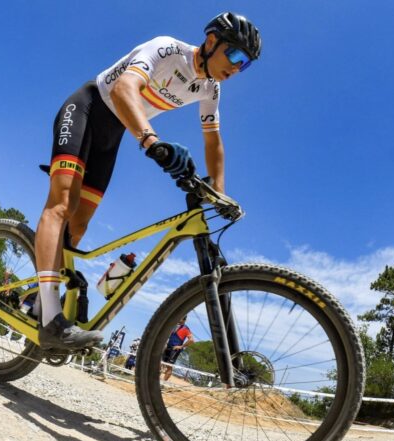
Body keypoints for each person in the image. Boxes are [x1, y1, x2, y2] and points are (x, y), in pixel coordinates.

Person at [33, 12, 262, 351]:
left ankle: (40, 304)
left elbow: (213, 141)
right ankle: (51, 319)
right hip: (86, 110)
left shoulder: (210, 89)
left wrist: (219, 194)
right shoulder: (168, 50)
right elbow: (126, 89)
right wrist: (151, 141)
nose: (237, 68)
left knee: (77, 228)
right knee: (61, 204)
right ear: (212, 42)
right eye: (235, 55)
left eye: (246, 64)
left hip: (112, 136)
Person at [161, 316, 194, 381]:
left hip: (175, 350)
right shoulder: (175, 325)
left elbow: (191, 340)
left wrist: (181, 346)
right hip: (168, 347)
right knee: (161, 363)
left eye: (180, 320)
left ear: (184, 320)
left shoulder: (186, 328)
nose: (179, 321)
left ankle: (163, 382)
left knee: (169, 366)